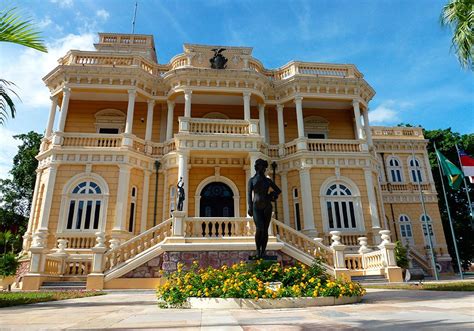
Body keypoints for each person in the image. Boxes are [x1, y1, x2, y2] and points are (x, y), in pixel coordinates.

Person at [248, 159, 281, 258]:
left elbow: (278, 190)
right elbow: (249, 194)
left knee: (265, 230)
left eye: (264, 167)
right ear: (257, 167)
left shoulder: (268, 181)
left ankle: (263, 251)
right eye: (262, 166)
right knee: (259, 228)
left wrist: (272, 195)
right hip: (256, 206)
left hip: (267, 206)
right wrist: (250, 207)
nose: (264, 168)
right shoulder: (252, 180)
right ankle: (258, 250)